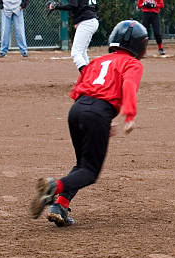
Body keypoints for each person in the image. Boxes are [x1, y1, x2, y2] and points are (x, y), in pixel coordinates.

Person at [30, 20, 148, 227]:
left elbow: (80, 88)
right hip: (97, 113)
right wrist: (129, 116)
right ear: (140, 45)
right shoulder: (133, 63)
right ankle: (53, 187)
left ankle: (60, 206)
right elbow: (128, 85)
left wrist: (98, 116)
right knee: (90, 172)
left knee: (81, 165)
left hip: (77, 110)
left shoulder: (98, 61)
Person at [48, 0, 99, 72]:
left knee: (76, 53)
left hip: (86, 22)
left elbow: (72, 6)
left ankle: (87, 76)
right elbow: (96, 7)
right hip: (92, 20)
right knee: (82, 52)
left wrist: (56, 7)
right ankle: (89, 75)